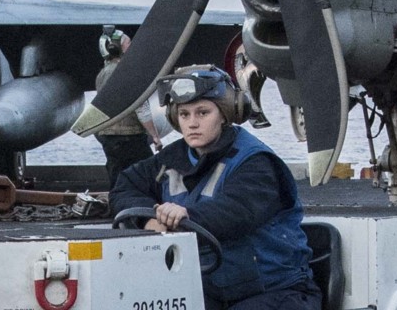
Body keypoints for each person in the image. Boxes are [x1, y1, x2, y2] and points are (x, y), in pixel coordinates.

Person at [111, 67, 319, 310]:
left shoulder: (255, 162)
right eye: (184, 114)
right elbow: (124, 188)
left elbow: (236, 212)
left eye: (203, 113)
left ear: (225, 114)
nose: (192, 123)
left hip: (277, 291)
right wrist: (148, 220)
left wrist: (184, 216)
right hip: (207, 290)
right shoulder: (171, 159)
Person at [93, 28, 154, 184]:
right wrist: (155, 135)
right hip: (129, 136)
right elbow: (141, 107)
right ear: (116, 47)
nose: (132, 45)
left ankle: (118, 205)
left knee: (117, 175)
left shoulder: (104, 72)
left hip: (110, 135)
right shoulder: (126, 72)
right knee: (148, 172)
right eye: (128, 43)